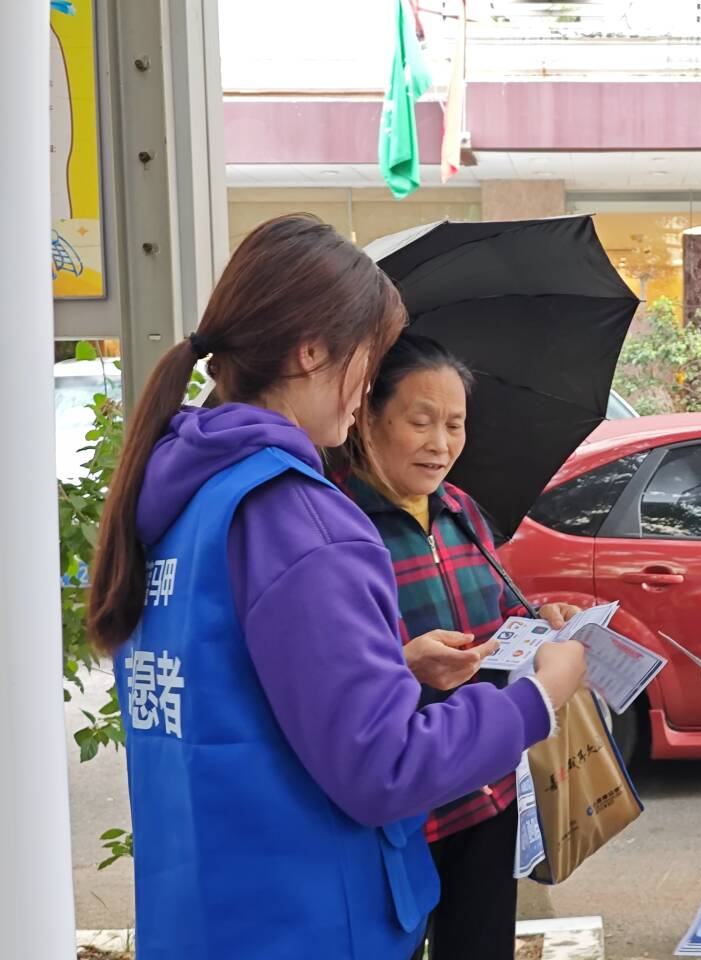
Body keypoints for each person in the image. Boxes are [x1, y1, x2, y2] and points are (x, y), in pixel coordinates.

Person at [87, 214, 587, 960]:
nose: (366, 387)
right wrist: (538, 699)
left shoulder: (185, 494)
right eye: (370, 358)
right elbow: (386, 767)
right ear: (313, 351)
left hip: (206, 911)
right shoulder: (302, 518)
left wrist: (396, 670)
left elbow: (243, 694)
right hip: (309, 916)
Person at [332, 332, 582, 960]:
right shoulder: (337, 523)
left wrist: (540, 620)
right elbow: (331, 674)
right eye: (420, 422)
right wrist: (406, 663)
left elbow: (501, 614)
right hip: (401, 804)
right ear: (367, 417)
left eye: (454, 424)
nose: (440, 444)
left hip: (488, 787)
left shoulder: (462, 510)